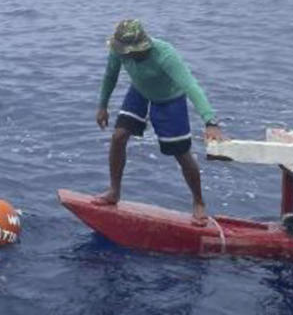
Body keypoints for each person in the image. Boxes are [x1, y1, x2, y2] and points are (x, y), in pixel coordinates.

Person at [93, 19, 224, 224]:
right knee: (118, 137)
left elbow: (191, 86)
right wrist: (102, 106)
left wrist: (210, 121)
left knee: (181, 154)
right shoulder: (119, 50)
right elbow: (110, 75)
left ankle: (199, 202)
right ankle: (114, 192)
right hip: (139, 91)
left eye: (130, 51)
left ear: (140, 46)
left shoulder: (165, 54)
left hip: (169, 100)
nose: (126, 55)